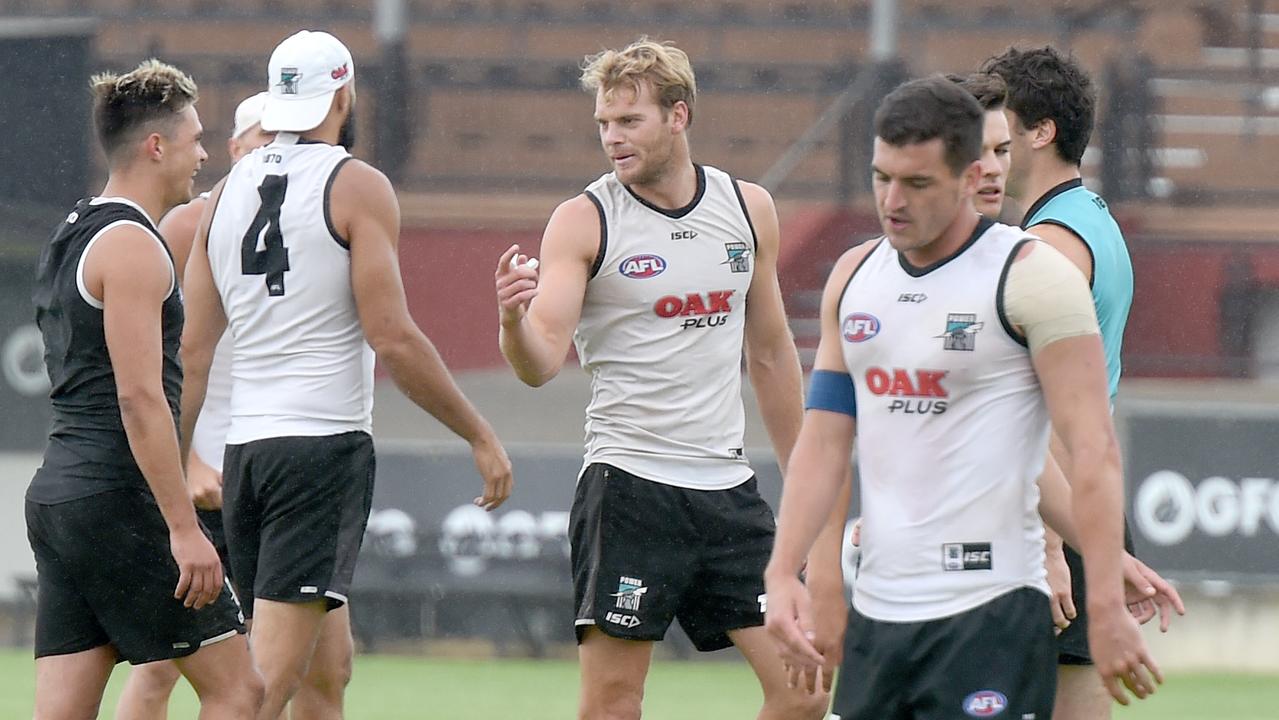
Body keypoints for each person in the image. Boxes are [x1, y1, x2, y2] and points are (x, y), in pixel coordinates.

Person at [765, 75, 1162, 720]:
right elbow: (825, 440)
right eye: (881, 177)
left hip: (993, 611)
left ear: (971, 175)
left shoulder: (1034, 278)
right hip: (880, 612)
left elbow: (1089, 449)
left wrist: (1106, 600)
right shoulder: (855, 277)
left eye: (916, 184)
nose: (892, 201)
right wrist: (794, 573)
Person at [179, 30, 514, 720]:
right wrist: (478, 432)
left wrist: (171, 472)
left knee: (328, 673)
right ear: (343, 94)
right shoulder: (354, 183)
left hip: (248, 455)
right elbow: (392, 336)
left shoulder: (221, 198)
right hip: (319, 450)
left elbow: (192, 355)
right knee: (260, 689)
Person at [494, 38, 825, 720]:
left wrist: (804, 485)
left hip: (728, 494)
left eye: (628, 121)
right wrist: (510, 323)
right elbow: (540, 361)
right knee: (613, 705)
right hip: (631, 489)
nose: (612, 139)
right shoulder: (584, 219)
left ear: (678, 116)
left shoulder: (746, 207)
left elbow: (768, 354)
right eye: (603, 125)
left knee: (803, 692)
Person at [28, 59, 262, 720]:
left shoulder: (71, 231)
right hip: (118, 501)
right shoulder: (133, 244)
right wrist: (184, 529)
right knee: (239, 691)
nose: (203, 155)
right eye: (194, 140)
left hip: (61, 498)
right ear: (156, 146)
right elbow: (138, 398)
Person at [982, 44, 1154, 720]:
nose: (985, 142)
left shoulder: (1049, 245)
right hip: (1083, 497)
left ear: (1040, 131)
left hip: (1049, 511)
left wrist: (1048, 545)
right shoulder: (1092, 220)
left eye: (999, 123)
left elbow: (1041, 403)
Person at [116, 90, 273, 720]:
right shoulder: (190, 225)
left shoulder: (322, 218)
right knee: (165, 665)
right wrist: (189, 462)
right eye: (263, 141)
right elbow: (160, 360)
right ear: (235, 150)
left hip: (268, 467)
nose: (277, 155)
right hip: (206, 480)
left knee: (310, 666)